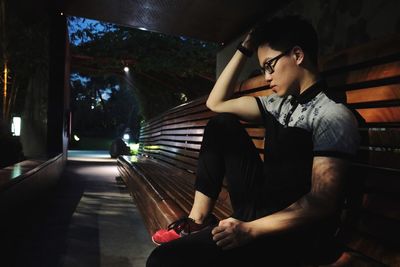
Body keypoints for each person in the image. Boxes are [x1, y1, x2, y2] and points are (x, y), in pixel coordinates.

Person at [146, 15, 360, 266]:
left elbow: (321, 203)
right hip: (259, 208)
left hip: (289, 233)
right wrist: (244, 48)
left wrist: (250, 229)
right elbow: (216, 103)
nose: (267, 76)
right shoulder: (278, 105)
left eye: (270, 65)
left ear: (298, 55)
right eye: (263, 69)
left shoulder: (331, 115)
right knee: (221, 123)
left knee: (163, 260)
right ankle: (198, 220)